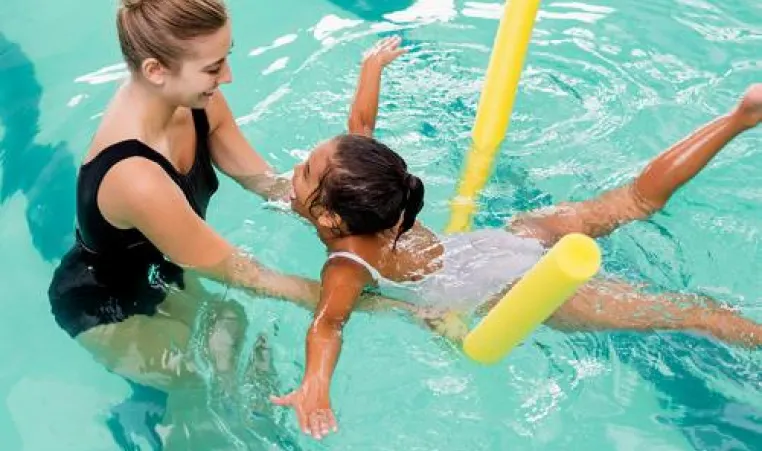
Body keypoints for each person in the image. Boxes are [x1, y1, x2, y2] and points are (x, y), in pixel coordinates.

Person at [270, 37, 762, 439]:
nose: (296, 169)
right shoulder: (383, 193)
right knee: (632, 199)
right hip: (496, 242)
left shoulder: (345, 264)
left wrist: (315, 382)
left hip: (511, 287)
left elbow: (328, 324)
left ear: (332, 219)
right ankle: (740, 117)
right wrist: (371, 68)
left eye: (306, 171)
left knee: (688, 313)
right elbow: (362, 128)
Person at [46, 0, 414, 396]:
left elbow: (270, 186)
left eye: (225, 59)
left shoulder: (197, 102)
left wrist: (360, 223)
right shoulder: (136, 179)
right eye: (212, 68)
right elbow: (252, 277)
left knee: (231, 325)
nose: (228, 77)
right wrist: (400, 309)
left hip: (163, 268)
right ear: (156, 70)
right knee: (200, 379)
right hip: (104, 303)